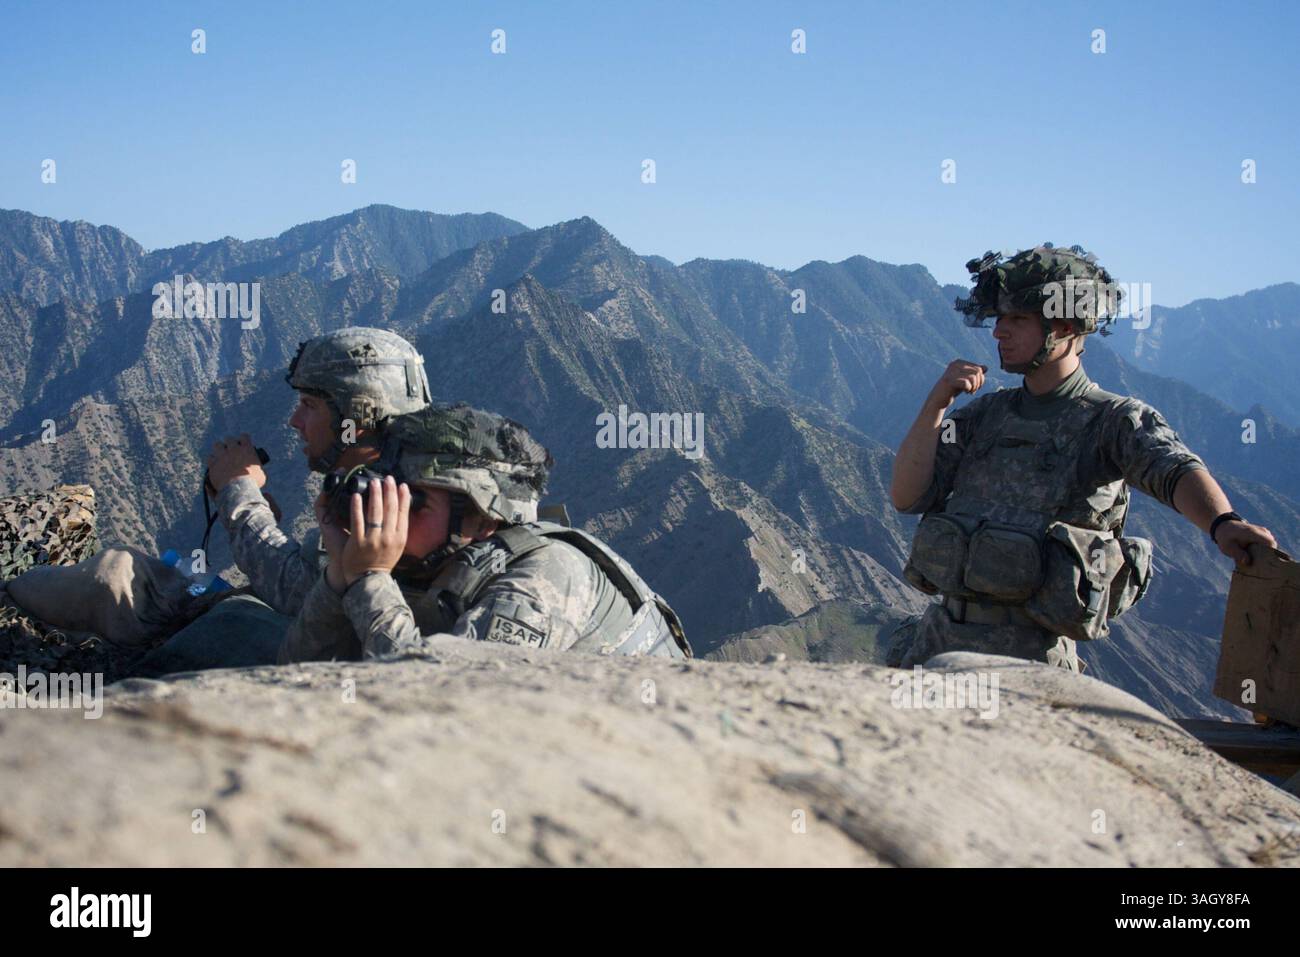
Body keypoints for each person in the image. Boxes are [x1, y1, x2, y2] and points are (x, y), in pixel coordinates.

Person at [887, 244, 1277, 672]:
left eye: (1017, 319)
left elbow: (1174, 469)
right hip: (937, 649)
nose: (999, 332)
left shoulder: (1113, 421)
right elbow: (908, 497)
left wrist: (1223, 523)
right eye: (999, 318)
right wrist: (936, 405)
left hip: (1032, 663)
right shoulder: (983, 416)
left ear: (1065, 326)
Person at [279, 402, 691, 663]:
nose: (390, 513)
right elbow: (298, 672)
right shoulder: (428, 559)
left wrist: (370, 581)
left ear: (480, 520)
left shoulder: (544, 578)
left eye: (414, 502)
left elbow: (439, 705)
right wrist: (340, 576)